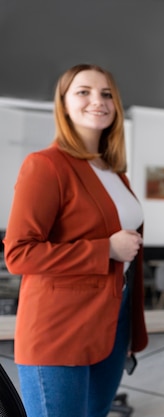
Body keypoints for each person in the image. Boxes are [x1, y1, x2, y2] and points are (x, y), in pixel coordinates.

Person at [3, 64, 148, 417]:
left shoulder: (115, 174)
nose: (97, 100)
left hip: (113, 324)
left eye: (106, 94)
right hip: (59, 330)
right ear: (64, 104)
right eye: (83, 92)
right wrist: (106, 250)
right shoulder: (46, 165)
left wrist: (130, 332)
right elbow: (19, 254)